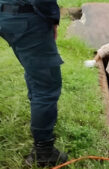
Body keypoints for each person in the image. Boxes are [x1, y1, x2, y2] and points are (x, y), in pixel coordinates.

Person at [0, 0, 67, 167]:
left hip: (6, 13)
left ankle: (38, 111)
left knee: (35, 72)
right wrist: (52, 20)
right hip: (26, 17)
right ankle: (43, 151)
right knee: (47, 85)